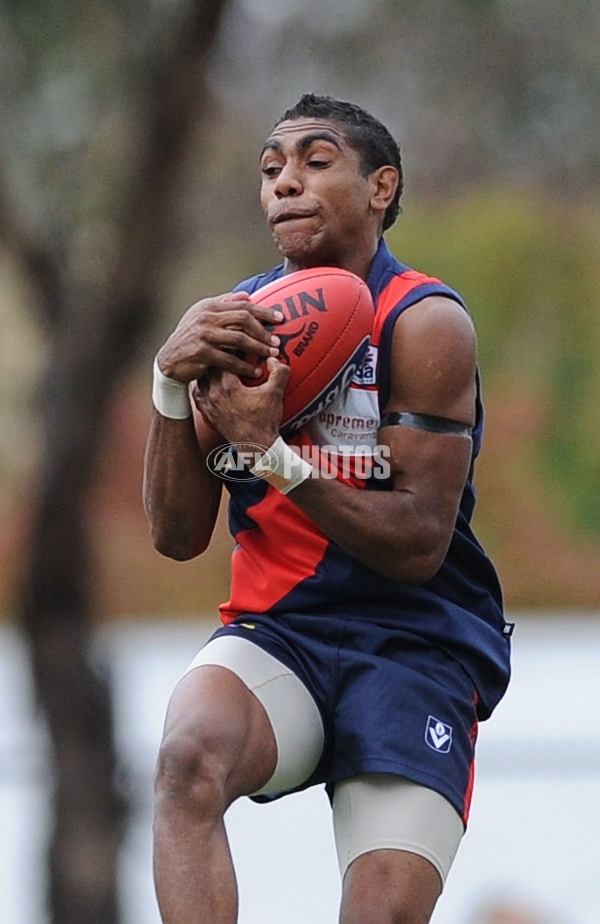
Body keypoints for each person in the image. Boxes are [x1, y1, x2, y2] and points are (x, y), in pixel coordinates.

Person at [143, 93, 512, 924]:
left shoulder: (426, 322)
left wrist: (273, 455)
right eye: (271, 168)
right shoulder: (236, 327)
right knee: (186, 760)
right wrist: (169, 388)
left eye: (315, 161)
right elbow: (173, 538)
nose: (286, 183)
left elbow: (418, 545)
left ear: (381, 187)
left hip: (416, 643)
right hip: (283, 632)